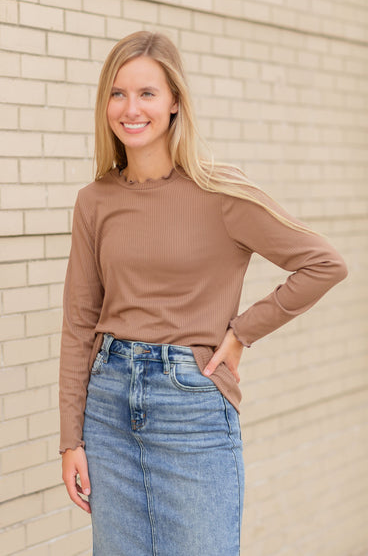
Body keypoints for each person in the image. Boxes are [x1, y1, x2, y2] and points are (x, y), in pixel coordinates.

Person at [59, 31, 347, 556]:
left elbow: (323, 262)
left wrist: (242, 333)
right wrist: (70, 440)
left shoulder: (221, 192)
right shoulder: (94, 201)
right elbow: (80, 322)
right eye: (117, 93)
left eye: (147, 93)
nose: (131, 108)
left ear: (174, 103)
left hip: (190, 408)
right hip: (107, 411)